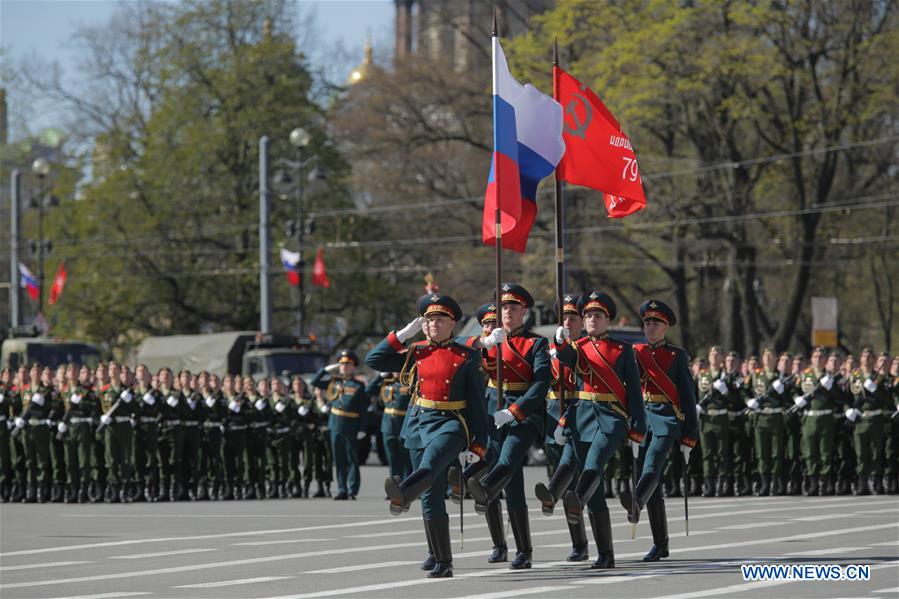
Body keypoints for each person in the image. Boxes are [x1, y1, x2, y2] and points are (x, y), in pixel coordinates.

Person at [366, 292, 488, 578]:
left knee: (429, 468)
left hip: (451, 423)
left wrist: (479, 443)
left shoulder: (467, 356)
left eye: (440, 319)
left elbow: (478, 404)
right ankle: (439, 557)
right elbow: (374, 359)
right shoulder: (416, 351)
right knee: (430, 495)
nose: (433, 324)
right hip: (419, 423)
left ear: (453, 323)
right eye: (429, 319)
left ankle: (403, 493)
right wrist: (402, 335)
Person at [553, 291, 646, 569]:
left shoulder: (622, 349)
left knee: (594, 464)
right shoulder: (578, 346)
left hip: (612, 417)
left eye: (598, 315)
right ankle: (605, 553)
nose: (592, 319)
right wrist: (561, 343)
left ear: (608, 320)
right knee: (593, 489)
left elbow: (634, 392)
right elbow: (571, 360)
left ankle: (576, 499)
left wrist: (638, 428)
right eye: (589, 315)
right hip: (583, 417)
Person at [467, 282, 550, 570]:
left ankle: (484, 489)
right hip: (492, 411)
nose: (508, 313)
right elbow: (468, 362)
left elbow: (540, 384)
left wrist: (514, 412)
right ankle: (508, 547)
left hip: (524, 415)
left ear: (524, 311)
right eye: (503, 307)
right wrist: (487, 345)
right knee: (512, 485)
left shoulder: (537, 343)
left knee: (507, 460)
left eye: (513, 308)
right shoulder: (490, 339)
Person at [620, 300, 697, 562]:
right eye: (647, 322)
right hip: (643, 419)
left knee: (651, 467)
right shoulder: (634, 352)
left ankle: (635, 501)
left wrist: (690, 434)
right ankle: (660, 544)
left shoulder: (676, 355)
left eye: (656, 323)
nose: (650, 327)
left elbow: (688, 397)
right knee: (649, 479)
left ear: (666, 328)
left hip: (666, 419)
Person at [535, 293, 592, 563]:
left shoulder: (585, 351)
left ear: (582, 321)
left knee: (580, 485)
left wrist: (565, 420)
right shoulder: (549, 350)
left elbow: (583, 391)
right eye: (564, 317)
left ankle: (599, 547)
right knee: (567, 485)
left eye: (573, 317)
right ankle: (578, 543)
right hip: (551, 421)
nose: (567, 322)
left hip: (577, 420)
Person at [311, 349, 369, 500]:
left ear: (353, 366)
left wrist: (362, 428)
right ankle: (342, 489)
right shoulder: (333, 381)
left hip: (351, 426)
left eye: (347, 364)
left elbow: (363, 409)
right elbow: (314, 381)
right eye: (342, 364)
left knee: (352, 459)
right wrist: (325, 369)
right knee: (339, 459)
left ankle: (352, 490)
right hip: (335, 425)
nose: (344, 367)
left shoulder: (358, 385)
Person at [745, 348, 788, 496]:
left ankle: (775, 484)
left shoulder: (781, 376)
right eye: (766, 356)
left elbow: (788, 400)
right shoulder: (756, 375)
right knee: (761, 453)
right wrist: (748, 401)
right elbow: (745, 392)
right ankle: (764, 484)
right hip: (760, 418)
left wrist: (783, 392)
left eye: (771, 356)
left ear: (776, 359)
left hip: (776, 418)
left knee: (776, 453)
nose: (768, 358)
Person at [695, 346, 732, 497]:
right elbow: (693, 393)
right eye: (712, 354)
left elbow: (736, 401)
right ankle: (709, 486)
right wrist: (696, 406)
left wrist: (726, 392)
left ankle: (721, 485)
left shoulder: (728, 376)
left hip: (721, 417)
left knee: (722, 453)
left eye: (717, 354)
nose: (714, 356)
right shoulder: (702, 374)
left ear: (722, 357)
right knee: (707, 453)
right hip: (706, 418)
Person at [365, 371, 413, 488]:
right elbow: (368, 391)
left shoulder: (410, 382)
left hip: (404, 424)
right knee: (391, 459)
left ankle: (407, 487)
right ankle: (395, 488)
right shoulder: (385, 382)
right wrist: (380, 377)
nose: (396, 371)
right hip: (388, 425)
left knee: (405, 459)